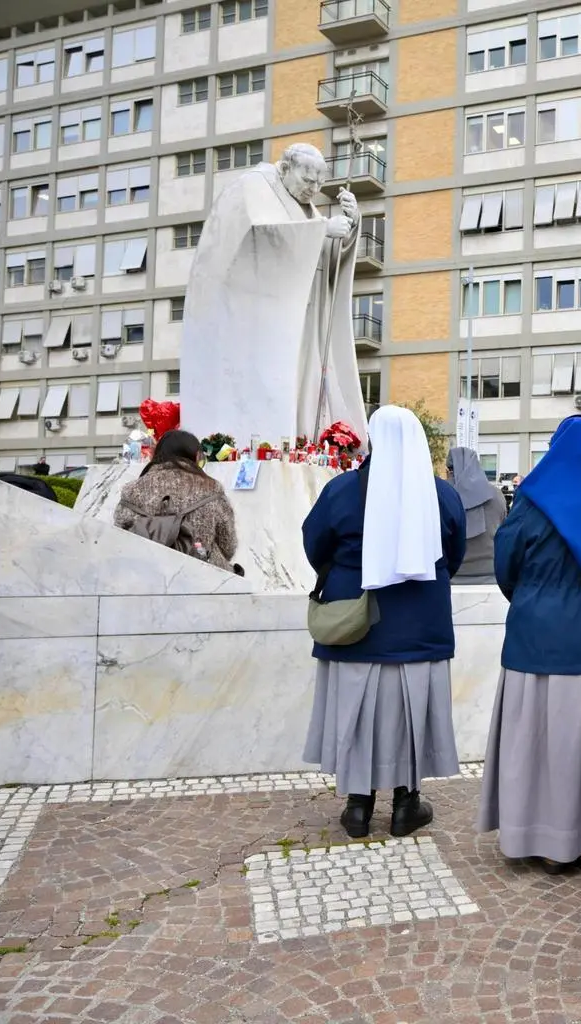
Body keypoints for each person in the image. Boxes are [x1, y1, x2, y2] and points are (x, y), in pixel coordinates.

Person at [477, 416, 581, 873]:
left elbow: (506, 561)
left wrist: (533, 599)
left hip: (539, 640)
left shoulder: (533, 500)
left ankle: (543, 840)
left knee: (540, 745)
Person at [301, 406, 467, 840]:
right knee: (410, 720)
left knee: (358, 716)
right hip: (419, 628)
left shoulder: (340, 491)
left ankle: (358, 806)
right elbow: (455, 554)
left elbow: (315, 544)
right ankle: (406, 804)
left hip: (356, 624)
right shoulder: (442, 495)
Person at [180, 143, 368, 445]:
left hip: (303, 316)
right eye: (308, 181)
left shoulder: (307, 208)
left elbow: (324, 263)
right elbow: (258, 237)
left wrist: (350, 225)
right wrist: (321, 230)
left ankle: (302, 438)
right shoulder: (252, 187)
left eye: (320, 184)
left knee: (303, 384)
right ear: (284, 169)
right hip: (261, 323)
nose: (314, 189)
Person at [113, 430, 239, 573]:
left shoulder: (131, 490)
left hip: (145, 576)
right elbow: (228, 547)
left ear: (156, 455)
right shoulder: (212, 488)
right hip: (204, 579)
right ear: (197, 457)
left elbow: (120, 539)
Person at [446, 446, 508, 585]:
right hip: (492, 574)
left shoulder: (442, 496)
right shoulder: (496, 495)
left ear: (449, 471)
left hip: (452, 577)